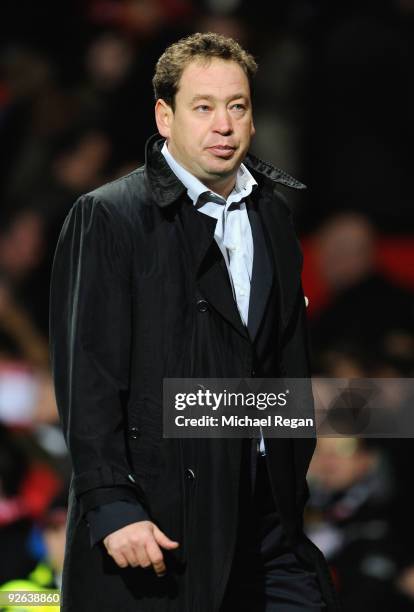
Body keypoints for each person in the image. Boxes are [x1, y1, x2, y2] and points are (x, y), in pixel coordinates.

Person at [49, 32, 340, 612]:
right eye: (203, 107)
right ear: (166, 116)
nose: (224, 125)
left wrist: (291, 473)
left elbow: (281, 364)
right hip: (161, 520)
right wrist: (112, 505)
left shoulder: (273, 218)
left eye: (238, 106)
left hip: (267, 519)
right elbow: (89, 374)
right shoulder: (110, 216)